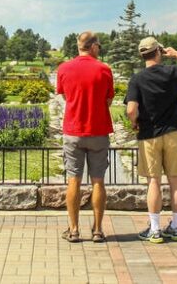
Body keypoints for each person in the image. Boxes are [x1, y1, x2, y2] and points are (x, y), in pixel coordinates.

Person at [125, 37, 177, 244]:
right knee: (176, 180)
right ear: (159, 52)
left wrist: (134, 123)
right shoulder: (174, 72)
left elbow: (131, 109)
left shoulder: (137, 79)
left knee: (153, 181)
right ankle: (176, 227)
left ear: (142, 55)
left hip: (149, 135)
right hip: (173, 132)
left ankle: (154, 229)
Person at [55, 31, 115, 243]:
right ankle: (97, 230)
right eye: (99, 46)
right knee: (98, 181)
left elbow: (65, 96)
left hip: (73, 131)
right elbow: (108, 100)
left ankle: (73, 230)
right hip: (98, 130)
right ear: (93, 46)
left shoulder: (64, 68)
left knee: (74, 180)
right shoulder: (104, 69)